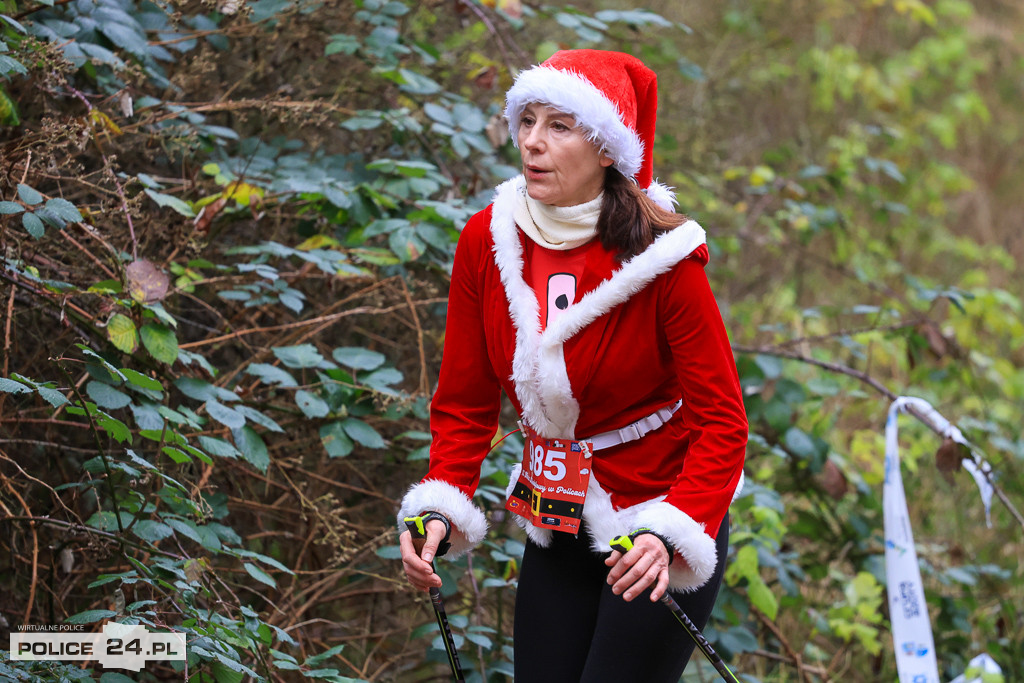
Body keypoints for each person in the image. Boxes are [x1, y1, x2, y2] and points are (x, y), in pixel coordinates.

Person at [397, 49, 748, 682]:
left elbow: (723, 421)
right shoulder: (488, 239)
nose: (532, 142)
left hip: (655, 523)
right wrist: (442, 504)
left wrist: (672, 530)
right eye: (527, 120)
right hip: (558, 514)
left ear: (608, 149)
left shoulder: (664, 259)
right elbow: (465, 402)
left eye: (559, 126)